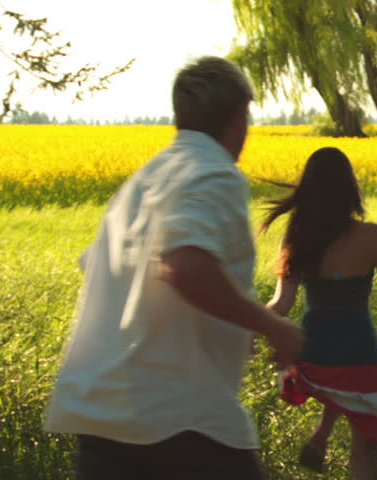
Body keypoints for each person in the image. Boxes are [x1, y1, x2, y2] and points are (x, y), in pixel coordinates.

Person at [43, 56, 303, 480]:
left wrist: (231, 328)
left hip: (103, 416)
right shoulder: (215, 173)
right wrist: (275, 327)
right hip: (179, 420)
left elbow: (111, 271)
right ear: (239, 115)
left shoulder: (145, 180)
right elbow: (186, 267)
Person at [261, 147, 377, 480]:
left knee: (336, 384)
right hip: (358, 351)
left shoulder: (296, 238)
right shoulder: (372, 236)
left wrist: (247, 324)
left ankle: (321, 434)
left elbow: (281, 304)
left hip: (314, 353)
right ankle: (325, 437)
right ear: (349, 188)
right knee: (365, 445)